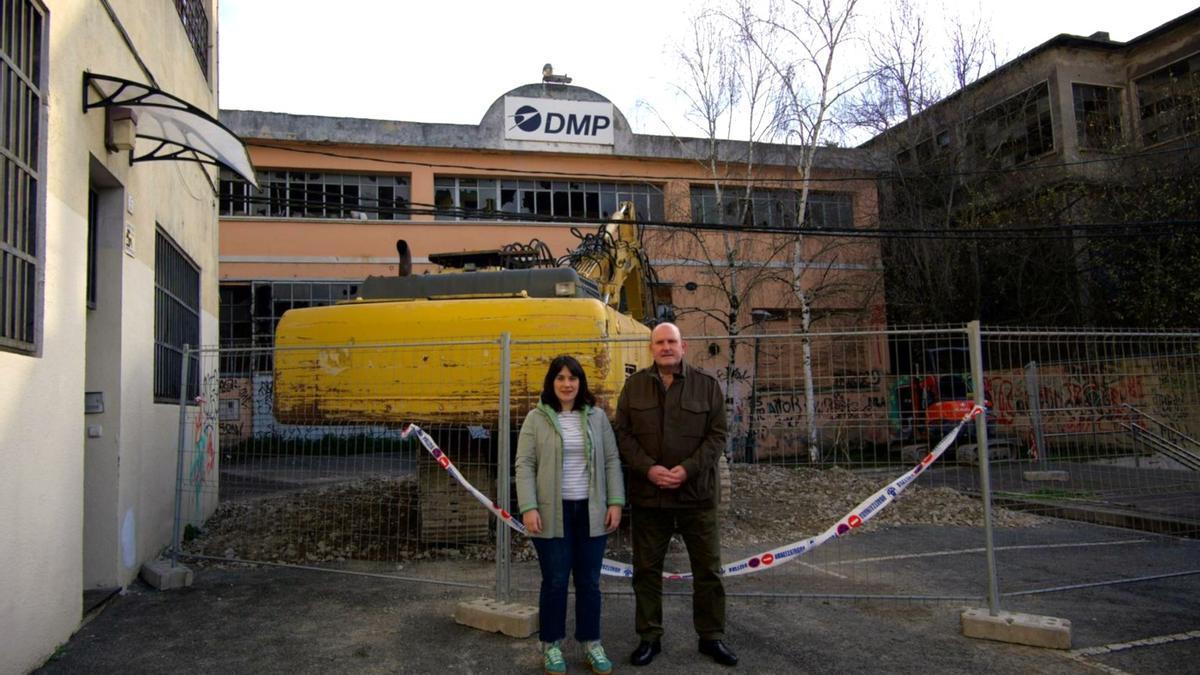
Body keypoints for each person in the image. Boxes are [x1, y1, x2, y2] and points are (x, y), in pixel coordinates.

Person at [615, 323, 737, 667]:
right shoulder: (634, 386)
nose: (666, 347)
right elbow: (623, 435)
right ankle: (649, 637)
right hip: (649, 497)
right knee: (646, 570)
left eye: (672, 341)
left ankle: (711, 637)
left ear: (683, 346)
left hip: (696, 496)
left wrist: (686, 470)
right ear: (650, 348)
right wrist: (649, 468)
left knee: (708, 571)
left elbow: (716, 437)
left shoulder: (707, 386)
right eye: (659, 342)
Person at [516, 355, 626, 675]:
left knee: (590, 582)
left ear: (581, 383)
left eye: (573, 378)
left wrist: (615, 502)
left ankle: (592, 642)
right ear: (552, 383)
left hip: (591, 512)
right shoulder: (536, 419)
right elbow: (524, 465)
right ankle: (551, 645)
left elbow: (610, 460)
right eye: (561, 378)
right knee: (555, 581)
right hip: (553, 513)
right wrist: (530, 507)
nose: (567, 384)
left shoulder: (597, 418)